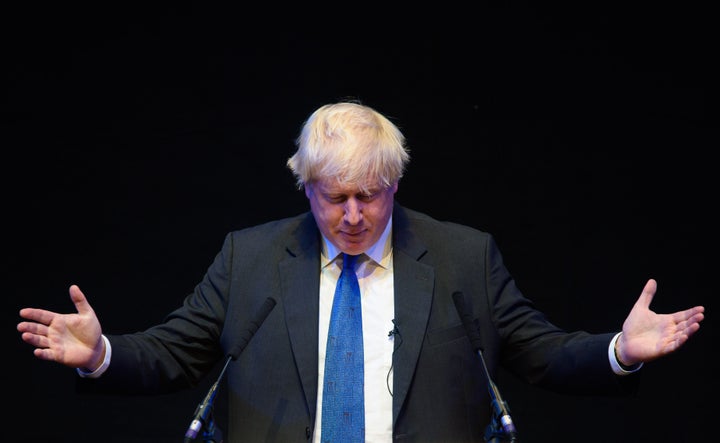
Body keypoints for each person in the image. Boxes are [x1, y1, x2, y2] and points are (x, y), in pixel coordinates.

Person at [17, 101, 705, 443]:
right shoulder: (249, 258)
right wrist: (100, 353)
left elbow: (543, 353)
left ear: (394, 185)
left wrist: (619, 351)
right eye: (333, 197)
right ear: (305, 188)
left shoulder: (463, 256)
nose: (352, 215)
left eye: (368, 195)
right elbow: (172, 353)